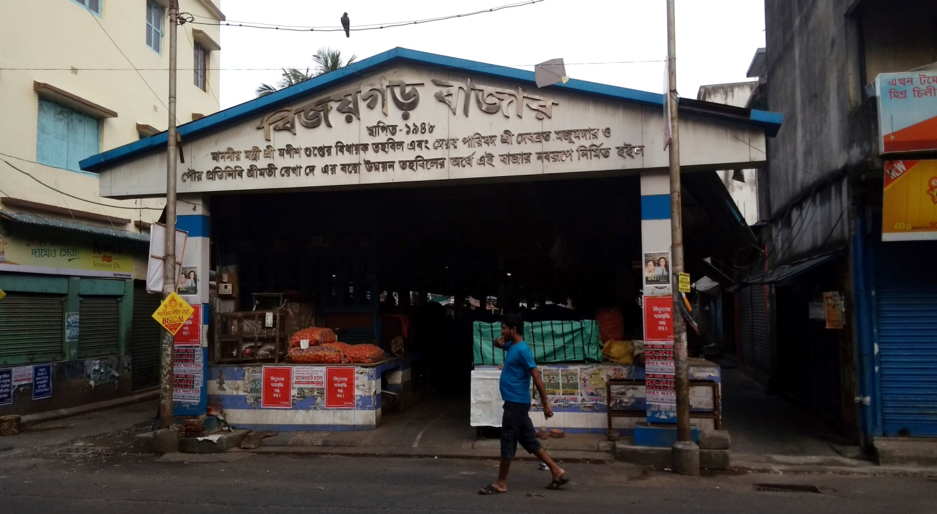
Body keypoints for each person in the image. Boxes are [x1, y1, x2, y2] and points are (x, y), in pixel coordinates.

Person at [479, 313, 568, 495]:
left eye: (504, 328)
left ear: (513, 329)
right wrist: (498, 340)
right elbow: (498, 344)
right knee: (528, 439)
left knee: (507, 439)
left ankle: (501, 483)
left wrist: (546, 404)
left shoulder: (522, 350)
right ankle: (556, 471)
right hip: (515, 403)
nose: (502, 331)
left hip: (516, 404)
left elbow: (536, 377)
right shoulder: (512, 346)